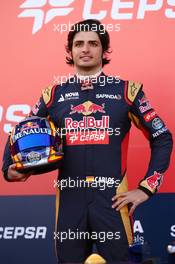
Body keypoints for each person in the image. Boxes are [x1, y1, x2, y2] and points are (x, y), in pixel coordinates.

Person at [2, 19, 173, 263]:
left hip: (113, 203)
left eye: (93, 43)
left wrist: (147, 187)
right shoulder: (53, 95)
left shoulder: (127, 91)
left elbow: (162, 135)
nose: (85, 49)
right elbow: (21, 132)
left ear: (104, 50)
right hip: (70, 204)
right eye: (78, 44)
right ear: (70, 51)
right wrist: (10, 169)